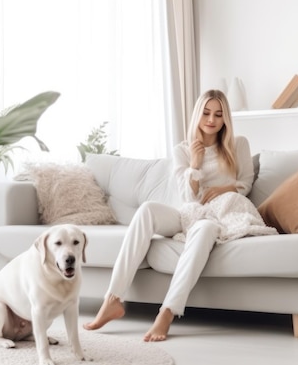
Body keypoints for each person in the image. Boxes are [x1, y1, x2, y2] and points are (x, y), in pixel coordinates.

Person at [83, 89, 274, 342]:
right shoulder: (183, 150)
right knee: (147, 210)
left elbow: (246, 182)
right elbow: (188, 197)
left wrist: (223, 188)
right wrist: (194, 165)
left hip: (223, 212)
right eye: (206, 113)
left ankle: (167, 313)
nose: (211, 120)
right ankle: (112, 299)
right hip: (191, 211)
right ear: (197, 114)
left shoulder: (238, 144)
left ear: (225, 118)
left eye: (218, 114)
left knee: (205, 228)